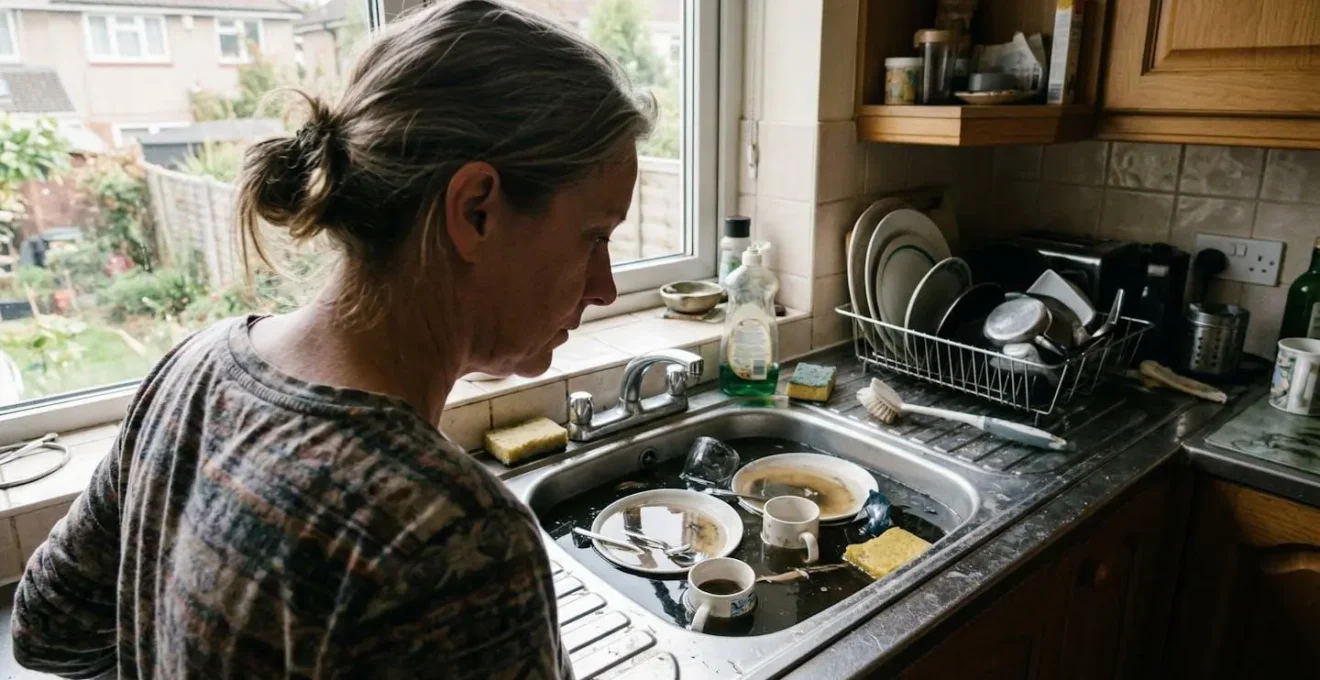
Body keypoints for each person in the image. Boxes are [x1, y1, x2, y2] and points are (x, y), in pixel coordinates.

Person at [10, 1, 653, 677]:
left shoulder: (193, 369)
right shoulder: (450, 539)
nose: (605, 286)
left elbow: (51, 627)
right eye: (595, 237)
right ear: (475, 210)